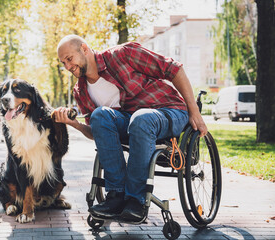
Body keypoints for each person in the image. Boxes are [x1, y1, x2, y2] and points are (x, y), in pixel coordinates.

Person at [53, 35, 207, 223]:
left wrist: (194, 110)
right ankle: (116, 196)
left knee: (141, 118)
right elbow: (99, 133)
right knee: (100, 116)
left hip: (168, 110)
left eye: (69, 59)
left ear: (84, 49)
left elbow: (174, 69)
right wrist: (75, 124)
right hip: (133, 123)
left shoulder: (123, 54)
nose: (68, 67)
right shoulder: (81, 90)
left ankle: (136, 200)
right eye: (63, 63)